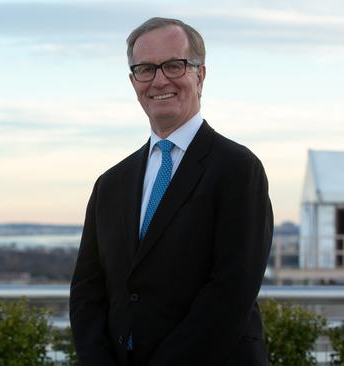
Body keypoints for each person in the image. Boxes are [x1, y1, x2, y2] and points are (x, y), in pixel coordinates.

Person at [69, 17, 273, 366]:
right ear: (134, 82)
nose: (159, 80)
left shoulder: (238, 169)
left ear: (200, 75)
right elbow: (88, 293)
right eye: (146, 69)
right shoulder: (110, 184)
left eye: (173, 65)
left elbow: (231, 292)